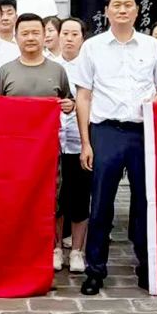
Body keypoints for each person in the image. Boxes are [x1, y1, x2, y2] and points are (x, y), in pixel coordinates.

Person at [75, 0, 157, 296]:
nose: (122, 10)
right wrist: (86, 142)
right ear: (106, 11)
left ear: (137, 10)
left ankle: (146, 268)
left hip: (142, 132)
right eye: (116, 5)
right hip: (105, 132)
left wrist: (150, 105)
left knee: (144, 202)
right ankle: (95, 270)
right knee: (101, 204)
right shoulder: (92, 47)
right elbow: (83, 95)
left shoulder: (151, 46)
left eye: (128, 5)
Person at [0, 14, 74, 268]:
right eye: (25, 33)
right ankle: (15, 248)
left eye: (35, 32)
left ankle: (51, 248)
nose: (30, 38)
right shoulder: (6, 71)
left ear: (44, 35)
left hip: (48, 150)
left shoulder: (57, 70)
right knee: (15, 198)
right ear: (16, 37)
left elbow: (69, 100)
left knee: (51, 199)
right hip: (14, 151)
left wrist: (69, 105)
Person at [56, 17, 90, 273]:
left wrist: (76, 105)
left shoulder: (90, 66)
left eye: (74, 34)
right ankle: (56, 247)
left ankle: (77, 250)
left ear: (83, 38)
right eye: (65, 33)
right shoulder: (50, 66)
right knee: (56, 199)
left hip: (82, 142)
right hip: (55, 143)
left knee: (80, 197)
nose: (69, 38)